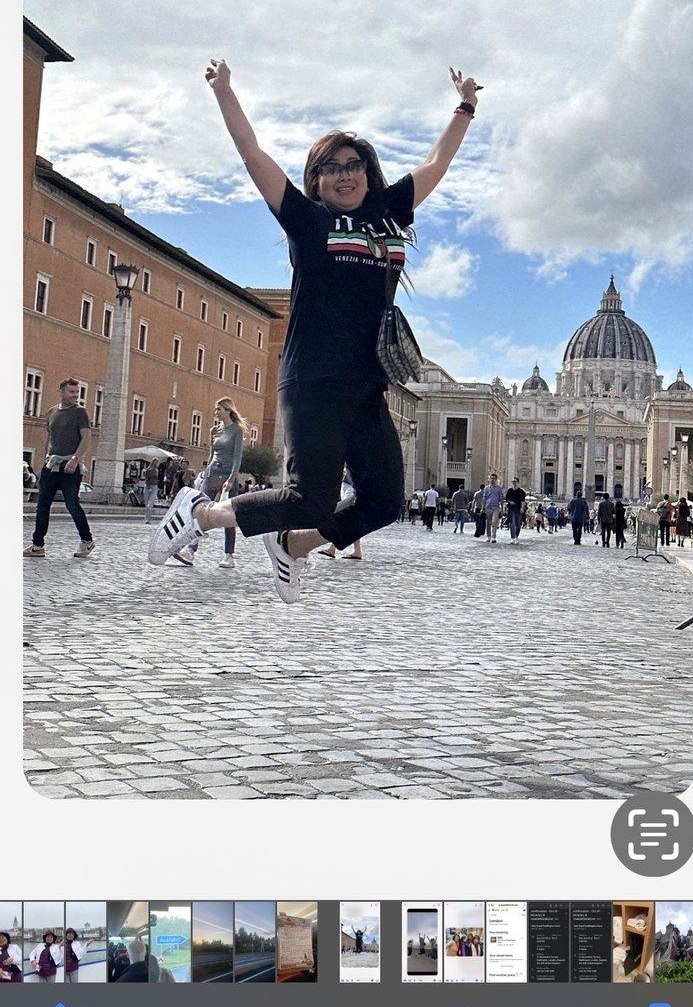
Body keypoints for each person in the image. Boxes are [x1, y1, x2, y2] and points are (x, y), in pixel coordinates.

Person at [150, 61, 483, 602]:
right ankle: (201, 512)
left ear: (369, 173)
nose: (344, 175)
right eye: (331, 168)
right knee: (312, 496)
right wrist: (225, 92)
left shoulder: (388, 213)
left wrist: (465, 107)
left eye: (354, 165)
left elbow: (436, 161)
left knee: (382, 502)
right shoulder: (307, 220)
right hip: (314, 376)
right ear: (317, 180)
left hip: (367, 381)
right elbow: (253, 154)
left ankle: (293, 546)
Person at [24, 379, 95, 558]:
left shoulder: (80, 413)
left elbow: (86, 438)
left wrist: (75, 459)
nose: (75, 395)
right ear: (61, 392)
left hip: (70, 466)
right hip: (52, 465)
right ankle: (37, 545)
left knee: (72, 504)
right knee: (42, 505)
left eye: (77, 392)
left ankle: (87, 540)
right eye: (71, 392)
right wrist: (46, 459)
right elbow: (50, 438)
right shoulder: (52, 412)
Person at [173, 399, 246, 569]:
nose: (216, 412)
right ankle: (190, 551)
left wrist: (230, 479)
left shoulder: (237, 430)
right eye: (215, 409)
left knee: (229, 515)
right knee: (199, 511)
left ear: (228, 410)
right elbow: (213, 453)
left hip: (228, 474)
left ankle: (229, 555)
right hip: (212, 472)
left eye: (219, 409)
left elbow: (237, 457)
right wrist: (206, 468)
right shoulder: (217, 429)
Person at [319, 467, 363, 560]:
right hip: (347, 484)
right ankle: (357, 550)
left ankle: (333, 548)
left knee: (343, 515)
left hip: (351, 485)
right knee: (351, 519)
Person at [482, 473, 504, 543]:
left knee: (494, 522)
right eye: (491, 478)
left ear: (496, 479)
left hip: (496, 508)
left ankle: (493, 536)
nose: (492, 480)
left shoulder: (499, 489)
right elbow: (484, 498)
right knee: (488, 523)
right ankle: (488, 536)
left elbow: (501, 499)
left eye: (494, 478)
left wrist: (502, 508)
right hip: (488, 507)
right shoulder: (486, 488)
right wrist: (483, 507)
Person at [505, 477, 526, 543]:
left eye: (515, 481)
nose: (514, 483)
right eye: (513, 481)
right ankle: (513, 537)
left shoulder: (521, 492)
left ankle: (516, 536)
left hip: (519, 509)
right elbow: (507, 499)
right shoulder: (509, 491)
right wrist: (510, 502)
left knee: (518, 524)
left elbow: (523, 501)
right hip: (511, 509)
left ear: (518, 482)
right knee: (512, 523)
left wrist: (522, 508)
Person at [144, 459, 160, 523]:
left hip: (154, 486)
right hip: (148, 486)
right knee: (147, 503)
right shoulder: (148, 470)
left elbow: (157, 480)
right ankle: (146, 517)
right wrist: (148, 487)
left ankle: (148, 519)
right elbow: (146, 479)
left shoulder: (157, 471)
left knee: (150, 504)